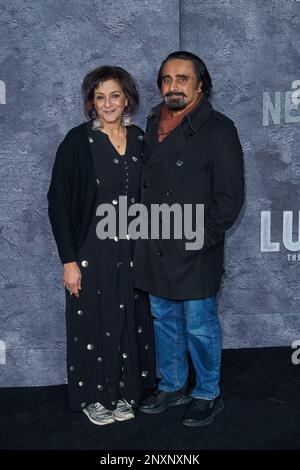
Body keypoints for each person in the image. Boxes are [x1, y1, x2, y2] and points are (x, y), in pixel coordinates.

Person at [134, 51, 244, 426]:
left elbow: (229, 199)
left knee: (199, 324)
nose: (173, 86)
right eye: (167, 79)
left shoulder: (219, 129)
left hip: (195, 247)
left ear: (200, 85)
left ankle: (207, 393)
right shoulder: (150, 122)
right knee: (163, 319)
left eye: (182, 79)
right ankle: (173, 385)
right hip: (155, 243)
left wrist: (200, 239)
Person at [47, 66, 156, 425]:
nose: (107, 104)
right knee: (92, 322)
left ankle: (125, 392)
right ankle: (95, 397)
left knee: (129, 320)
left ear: (127, 99)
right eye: (99, 97)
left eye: (114, 95)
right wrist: (69, 261)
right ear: (91, 102)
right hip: (91, 250)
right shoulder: (78, 141)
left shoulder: (141, 139)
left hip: (132, 249)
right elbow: (58, 202)